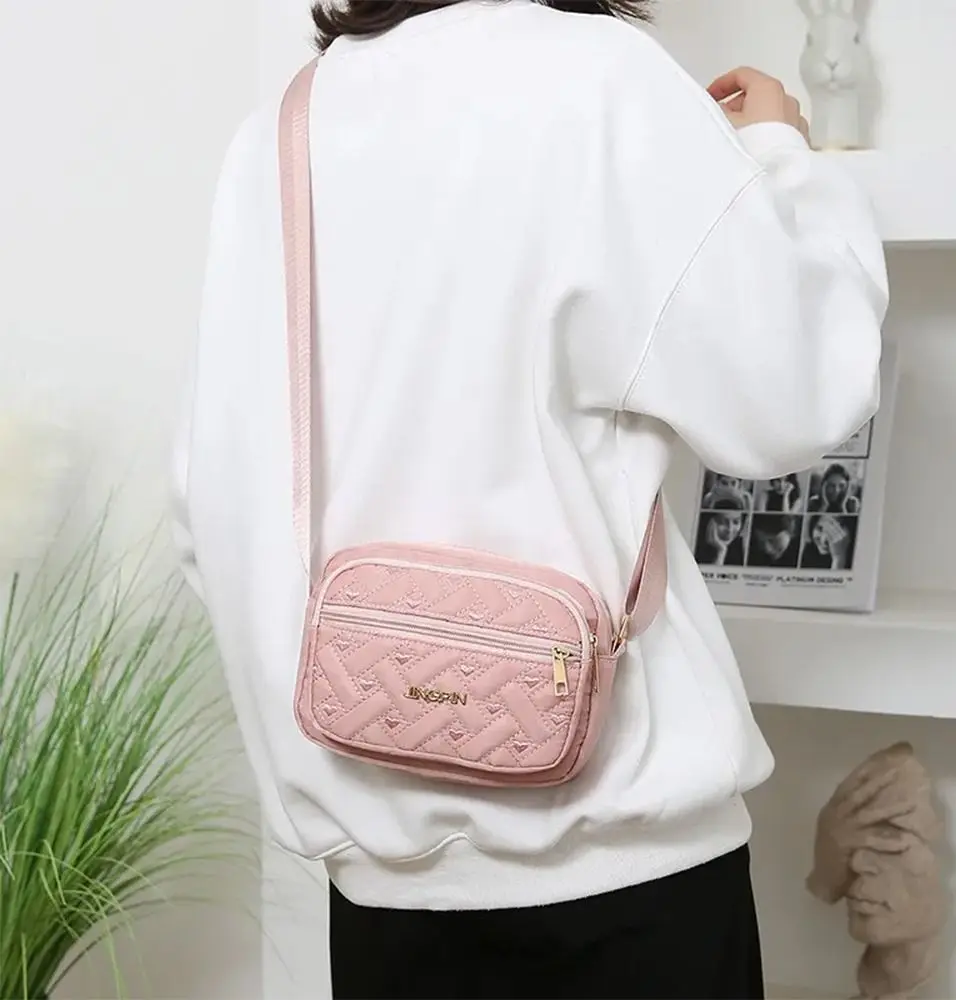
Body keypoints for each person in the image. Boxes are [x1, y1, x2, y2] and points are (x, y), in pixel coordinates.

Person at [170, 1, 887, 996]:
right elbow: (796, 394)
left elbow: (210, 500)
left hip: (381, 901)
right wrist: (779, 154)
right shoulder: (604, 80)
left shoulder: (282, 129)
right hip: (627, 888)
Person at [694, 499, 748, 567]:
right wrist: (721, 551)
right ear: (711, 522)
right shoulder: (695, 544)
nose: (730, 530)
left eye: (736, 522)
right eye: (722, 522)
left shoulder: (742, 547)